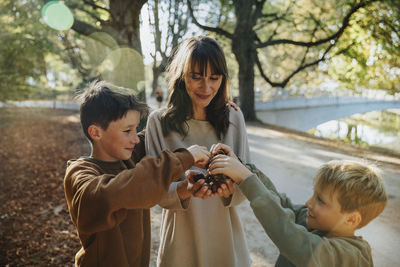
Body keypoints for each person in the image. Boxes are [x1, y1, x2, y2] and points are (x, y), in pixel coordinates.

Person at [64, 80, 210, 267]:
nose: (135, 138)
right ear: (96, 132)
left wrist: (215, 106)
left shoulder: (128, 152)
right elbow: (123, 189)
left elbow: (159, 127)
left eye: (135, 129)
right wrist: (184, 158)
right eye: (127, 131)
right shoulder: (80, 175)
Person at [145, 36, 252, 267]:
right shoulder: (158, 123)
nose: (206, 87)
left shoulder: (234, 117)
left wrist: (229, 190)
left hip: (226, 241)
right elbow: (153, 191)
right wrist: (185, 189)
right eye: (197, 77)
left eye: (214, 78)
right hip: (180, 245)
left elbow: (248, 184)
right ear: (182, 75)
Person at [208, 143, 388, 267]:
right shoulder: (315, 223)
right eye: (314, 195)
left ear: (351, 219)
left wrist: (247, 180)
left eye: (321, 200)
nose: (309, 202)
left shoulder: (350, 255)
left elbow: (292, 238)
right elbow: (280, 204)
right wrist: (246, 169)